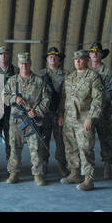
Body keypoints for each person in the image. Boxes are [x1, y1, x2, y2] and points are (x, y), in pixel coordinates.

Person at [58, 50, 103, 191]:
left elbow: (98, 99)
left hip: (84, 120)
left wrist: (91, 117)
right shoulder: (69, 78)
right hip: (69, 119)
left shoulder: (93, 77)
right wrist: (61, 114)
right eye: (75, 59)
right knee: (70, 148)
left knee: (85, 149)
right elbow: (64, 99)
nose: (77, 61)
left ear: (86, 60)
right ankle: (75, 173)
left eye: (81, 59)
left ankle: (89, 179)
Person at [3, 52, 50, 186]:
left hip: (33, 121)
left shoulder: (39, 81)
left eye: (26, 63)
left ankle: (38, 174)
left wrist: (37, 111)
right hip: (16, 122)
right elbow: (4, 97)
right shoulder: (12, 81)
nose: (24, 65)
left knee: (36, 148)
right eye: (22, 63)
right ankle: (14, 173)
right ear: (18, 64)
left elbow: (46, 99)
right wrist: (14, 98)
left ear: (30, 64)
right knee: (14, 147)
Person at [36, 47, 69, 176]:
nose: (52, 58)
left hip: (59, 112)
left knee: (61, 140)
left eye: (55, 56)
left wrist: (61, 113)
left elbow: (66, 96)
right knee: (43, 138)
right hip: (44, 113)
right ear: (46, 59)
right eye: (50, 56)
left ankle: (62, 164)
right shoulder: (39, 75)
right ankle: (43, 163)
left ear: (59, 60)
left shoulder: (66, 75)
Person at [88, 42, 112, 179]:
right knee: (87, 140)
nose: (94, 54)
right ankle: (88, 168)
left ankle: (107, 166)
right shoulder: (85, 71)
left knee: (105, 139)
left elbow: (111, 91)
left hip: (103, 111)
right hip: (88, 113)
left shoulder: (108, 72)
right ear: (89, 55)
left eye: (97, 52)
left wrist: (98, 106)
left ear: (101, 54)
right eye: (92, 52)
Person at [0, 46, 18, 164]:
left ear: (9, 55)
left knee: (11, 138)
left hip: (12, 109)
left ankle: (11, 164)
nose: (3, 56)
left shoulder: (16, 72)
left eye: (5, 53)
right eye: (1, 54)